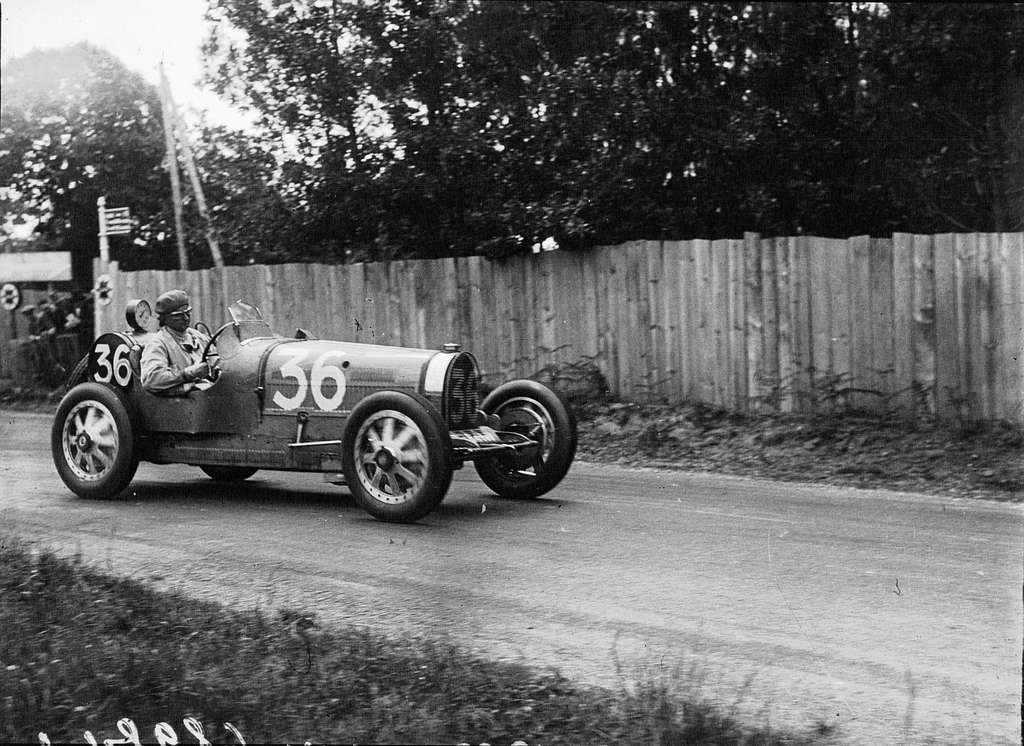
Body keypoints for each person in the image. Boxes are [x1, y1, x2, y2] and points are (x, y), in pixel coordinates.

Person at [140, 289, 216, 395]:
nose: (186, 318)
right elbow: (151, 379)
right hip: (185, 403)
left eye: (188, 312)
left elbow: (217, 359)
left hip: (209, 394)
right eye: (179, 315)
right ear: (165, 319)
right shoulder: (158, 343)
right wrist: (187, 374)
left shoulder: (196, 335)